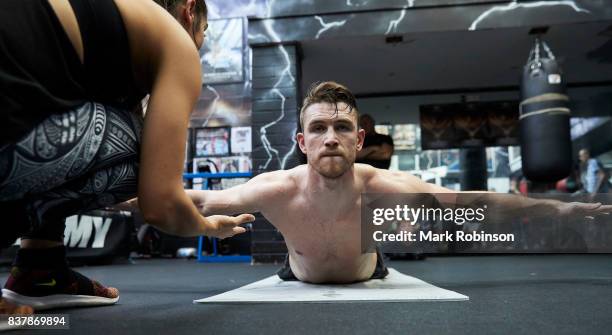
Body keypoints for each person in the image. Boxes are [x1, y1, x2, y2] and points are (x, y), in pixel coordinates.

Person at [174, 81, 610, 284]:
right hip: (297, 275)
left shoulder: (383, 183)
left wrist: (565, 207)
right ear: (302, 141)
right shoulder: (277, 187)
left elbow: (480, 202)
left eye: (342, 129)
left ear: (359, 139)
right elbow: (205, 199)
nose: (331, 138)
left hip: (370, 271)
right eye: (320, 129)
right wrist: (115, 197)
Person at [0, 0, 253, 312]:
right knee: (143, 150)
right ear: (189, 11)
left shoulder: (105, 23)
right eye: (203, 32)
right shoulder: (175, 40)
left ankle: (40, 268)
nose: (200, 43)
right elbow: (160, 205)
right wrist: (211, 228)